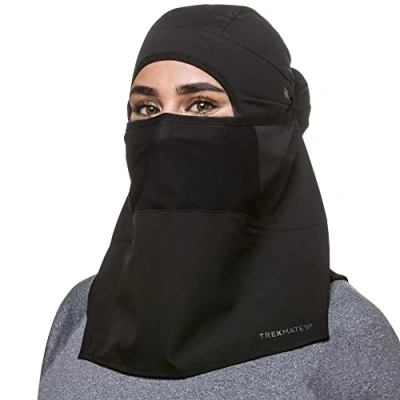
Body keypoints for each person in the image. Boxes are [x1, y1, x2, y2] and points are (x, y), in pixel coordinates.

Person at [37, 4, 400, 399]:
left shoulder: (346, 334)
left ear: (268, 127)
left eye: (202, 105)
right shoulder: (82, 312)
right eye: (147, 108)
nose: (164, 132)